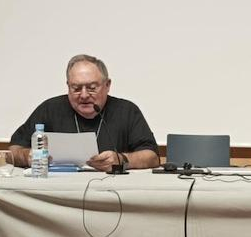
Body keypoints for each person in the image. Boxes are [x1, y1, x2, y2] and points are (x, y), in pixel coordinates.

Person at [9, 54, 160, 171]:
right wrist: (27, 156)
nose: (84, 95)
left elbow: (152, 157)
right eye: (76, 88)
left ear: (107, 85)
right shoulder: (49, 109)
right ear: (68, 86)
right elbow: (13, 151)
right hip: (60, 192)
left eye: (92, 87)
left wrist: (122, 159)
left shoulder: (126, 111)